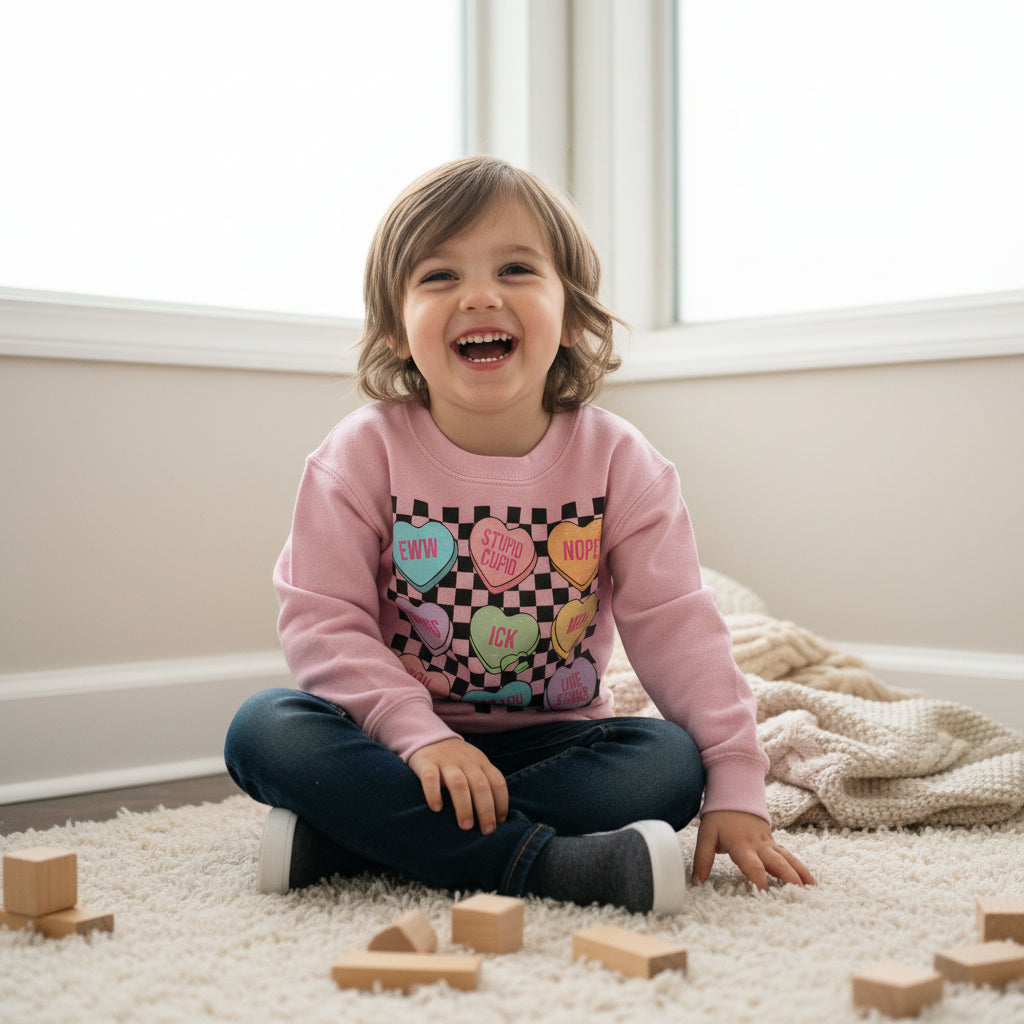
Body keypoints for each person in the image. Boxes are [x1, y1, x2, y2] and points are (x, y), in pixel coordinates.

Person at [224, 155, 815, 914]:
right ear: (397, 330)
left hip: (557, 745)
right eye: (438, 278)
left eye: (514, 269)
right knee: (265, 730)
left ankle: (349, 840)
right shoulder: (359, 454)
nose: (478, 295)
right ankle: (548, 867)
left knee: (666, 765)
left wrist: (737, 778)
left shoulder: (621, 462)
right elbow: (322, 623)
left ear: (570, 317)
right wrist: (420, 736)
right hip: (393, 739)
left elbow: (679, 630)